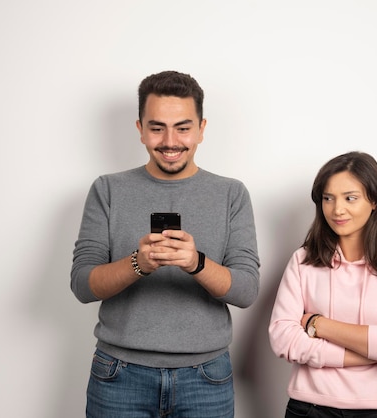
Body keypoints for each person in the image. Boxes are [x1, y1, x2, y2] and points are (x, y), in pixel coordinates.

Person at [71, 70, 260, 417]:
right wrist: (137, 264)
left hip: (206, 378)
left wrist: (196, 263)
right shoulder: (107, 190)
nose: (170, 141)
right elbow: (83, 284)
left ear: (202, 129)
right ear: (140, 128)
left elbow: (246, 291)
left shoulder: (231, 194)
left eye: (183, 127)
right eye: (157, 127)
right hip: (119, 374)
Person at [268, 151, 377, 418]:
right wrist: (371, 351)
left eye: (350, 198)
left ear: (374, 200)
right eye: (328, 198)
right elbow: (283, 338)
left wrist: (318, 324)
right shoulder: (303, 260)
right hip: (310, 408)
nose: (337, 209)